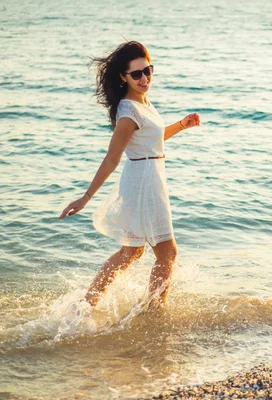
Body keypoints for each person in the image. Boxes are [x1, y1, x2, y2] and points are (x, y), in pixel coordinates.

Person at [58, 41, 200, 310]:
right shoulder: (129, 111)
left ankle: (88, 304)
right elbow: (112, 158)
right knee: (166, 252)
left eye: (148, 70)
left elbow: (151, 141)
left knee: (132, 251)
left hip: (145, 177)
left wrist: (182, 125)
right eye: (136, 74)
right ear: (123, 77)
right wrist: (86, 197)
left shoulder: (142, 103)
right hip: (145, 183)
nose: (144, 78)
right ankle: (155, 309)